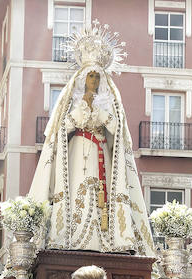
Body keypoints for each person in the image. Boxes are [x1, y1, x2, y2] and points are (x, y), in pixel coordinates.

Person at [29, 22, 155, 255]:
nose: (94, 82)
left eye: (97, 78)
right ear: (82, 79)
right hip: (77, 152)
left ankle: (106, 239)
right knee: (77, 189)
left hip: (100, 152)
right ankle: (70, 236)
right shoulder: (71, 101)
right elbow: (60, 129)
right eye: (90, 77)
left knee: (102, 196)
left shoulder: (110, 102)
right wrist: (81, 112)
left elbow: (118, 130)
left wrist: (101, 113)